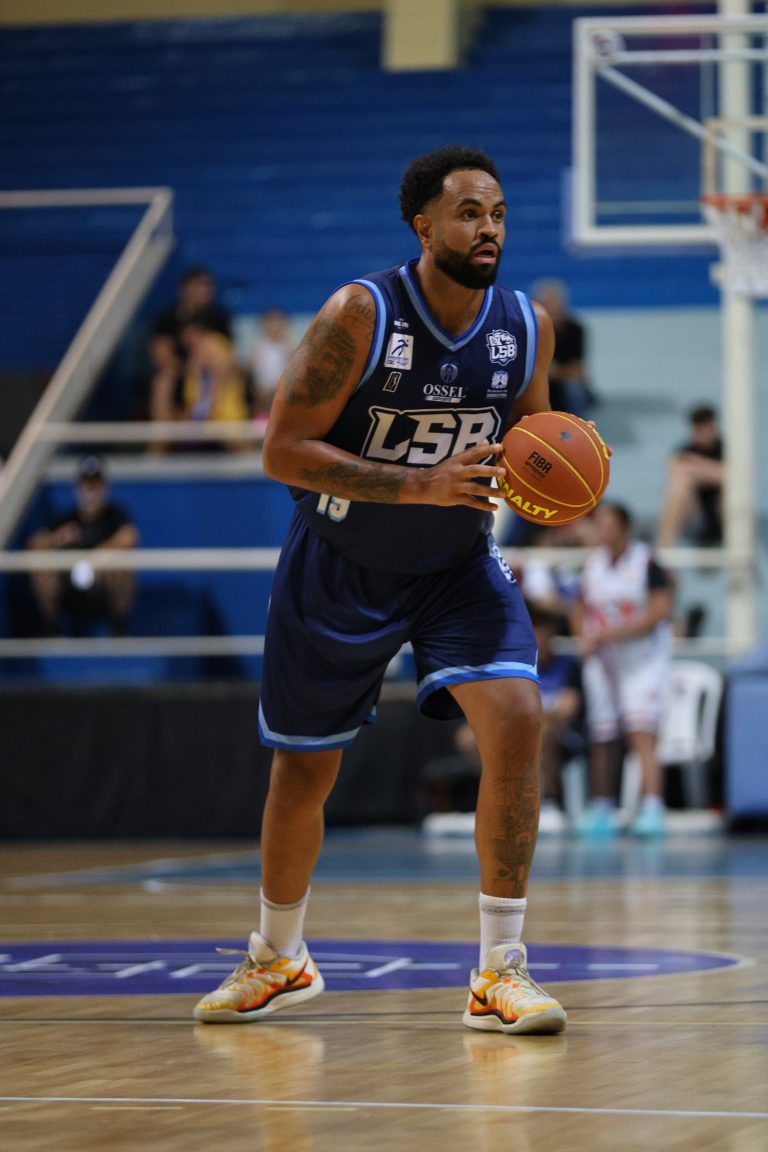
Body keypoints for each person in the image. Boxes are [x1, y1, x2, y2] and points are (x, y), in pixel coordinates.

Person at [193, 144, 568, 1035]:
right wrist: (419, 483)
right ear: (423, 227)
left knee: (518, 717)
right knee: (304, 768)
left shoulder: (526, 327)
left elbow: (534, 447)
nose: (488, 229)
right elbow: (282, 450)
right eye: (469, 213)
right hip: (340, 561)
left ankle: (499, 972)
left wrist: (562, 479)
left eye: (498, 214)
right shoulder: (361, 314)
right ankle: (279, 957)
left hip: (456, 563)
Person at [570, 502, 674, 837]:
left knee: (641, 733)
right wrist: (583, 637)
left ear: (624, 527)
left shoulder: (646, 561)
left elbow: (659, 611)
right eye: (597, 521)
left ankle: (652, 807)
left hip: (643, 659)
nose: (600, 527)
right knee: (602, 734)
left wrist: (610, 634)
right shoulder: (592, 563)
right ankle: (601, 807)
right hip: (605, 659)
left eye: (607, 521)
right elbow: (579, 606)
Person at [26, 456, 139, 637]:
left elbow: (130, 536)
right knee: (40, 560)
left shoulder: (115, 515)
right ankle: (52, 628)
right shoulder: (65, 518)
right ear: (78, 487)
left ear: (105, 487)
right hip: (68, 586)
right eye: (86, 484)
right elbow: (35, 543)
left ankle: (120, 629)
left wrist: (98, 559)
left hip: (102, 586)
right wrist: (57, 539)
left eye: (96, 484)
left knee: (122, 563)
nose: (91, 491)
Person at [146, 266, 233, 446]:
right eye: (199, 285)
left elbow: (225, 354)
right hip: (181, 374)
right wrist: (190, 367)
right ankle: (160, 443)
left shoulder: (219, 317)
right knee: (163, 382)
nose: (205, 290)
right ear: (184, 289)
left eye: (208, 286)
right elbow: (162, 356)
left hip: (211, 375)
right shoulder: (168, 317)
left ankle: (217, 423)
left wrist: (204, 363)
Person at [176, 307, 252, 449]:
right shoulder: (199, 349)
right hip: (206, 408)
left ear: (195, 331)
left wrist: (210, 405)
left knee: (238, 445)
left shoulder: (213, 346)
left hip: (220, 407)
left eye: (185, 333)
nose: (183, 338)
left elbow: (220, 377)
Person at [655, 404, 724, 549]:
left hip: (721, 511)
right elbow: (675, 472)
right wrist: (712, 472)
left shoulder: (725, 449)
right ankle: (664, 551)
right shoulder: (684, 450)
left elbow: (730, 476)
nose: (701, 434)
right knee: (678, 489)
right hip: (694, 513)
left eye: (704, 428)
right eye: (698, 429)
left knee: (731, 493)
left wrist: (694, 463)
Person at [530, 278, 593, 419]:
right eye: (546, 304)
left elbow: (578, 371)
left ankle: (578, 428)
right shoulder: (528, 329)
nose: (550, 308)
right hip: (536, 383)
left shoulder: (574, 329)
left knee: (574, 390)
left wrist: (552, 371)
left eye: (553, 303)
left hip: (560, 385)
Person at [249, 308, 295, 423]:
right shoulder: (259, 348)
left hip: (283, 394)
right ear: (264, 325)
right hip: (263, 394)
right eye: (270, 322)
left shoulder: (290, 347)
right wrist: (259, 389)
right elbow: (254, 371)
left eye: (277, 322)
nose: (274, 326)